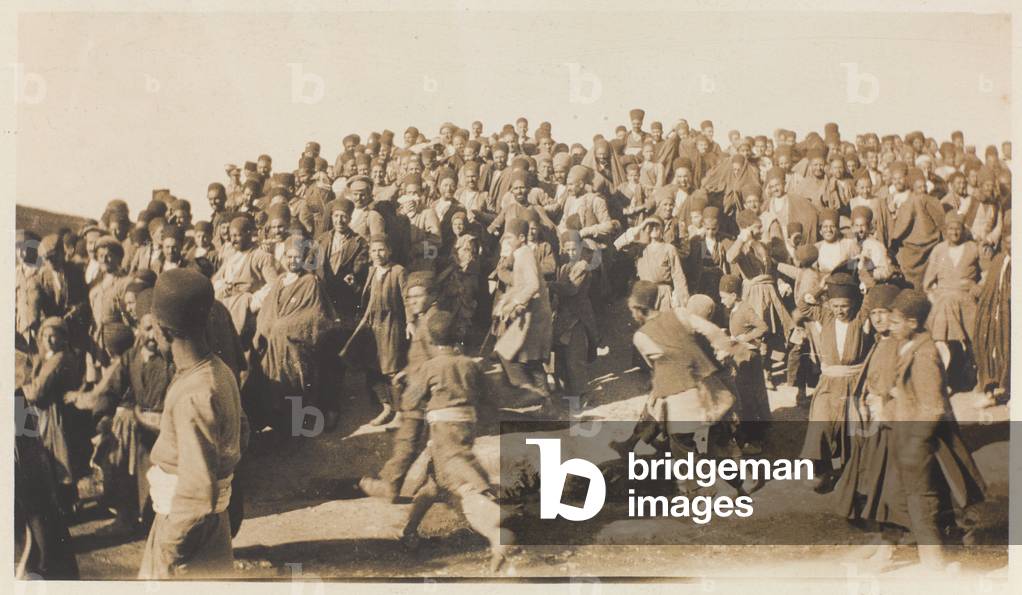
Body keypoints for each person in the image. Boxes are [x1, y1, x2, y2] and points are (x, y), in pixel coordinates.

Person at [138, 269, 246, 579]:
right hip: (212, 528)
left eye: (153, 327)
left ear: (165, 331)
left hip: (185, 532)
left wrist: (169, 548)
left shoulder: (193, 393)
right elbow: (243, 435)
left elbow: (197, 492)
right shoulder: (220, 372)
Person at [394, 311, 513, 572]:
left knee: (462, 485)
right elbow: (489, 398)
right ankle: (410, 530)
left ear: (431, 339)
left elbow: (411, 401)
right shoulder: (470, 364)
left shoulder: (431, 366)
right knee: (434, 481)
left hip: (442, 431)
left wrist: (402, 387)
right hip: (466, 427)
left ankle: (497, 532)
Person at [797, 274, 873, 494]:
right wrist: (821, 289)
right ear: (829, 305)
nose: (841, 310)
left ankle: (851, 472)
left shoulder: (860, 319)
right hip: (828, 383)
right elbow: (803, 305)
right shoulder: (825, 317)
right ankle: (822, 470)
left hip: (854, 383)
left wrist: (864, 281)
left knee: (851, 431)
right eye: (836, 305)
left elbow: (871, 297)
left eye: (845, 306)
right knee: (820, 424)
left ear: (853, 304)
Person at [492, 218, 555, 406]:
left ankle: (533, 395)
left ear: (521, 237)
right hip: (531, 316)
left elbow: (533, 285)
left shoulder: (525, 255)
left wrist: (516, 302)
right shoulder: (520, 253)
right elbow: (520, 285)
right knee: (529, 359)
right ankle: (546, 403)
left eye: (509, 238)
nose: (506, 242)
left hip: (534, 318)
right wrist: (506, 301)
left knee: (510, 354)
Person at [973, 219, 1010, 406]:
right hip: (998, 312)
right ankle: (993, 387)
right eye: (1007, 240)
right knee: (992, 344)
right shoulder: (999, 259)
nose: (1010, 244)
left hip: (1010, 314)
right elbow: (990, 285)